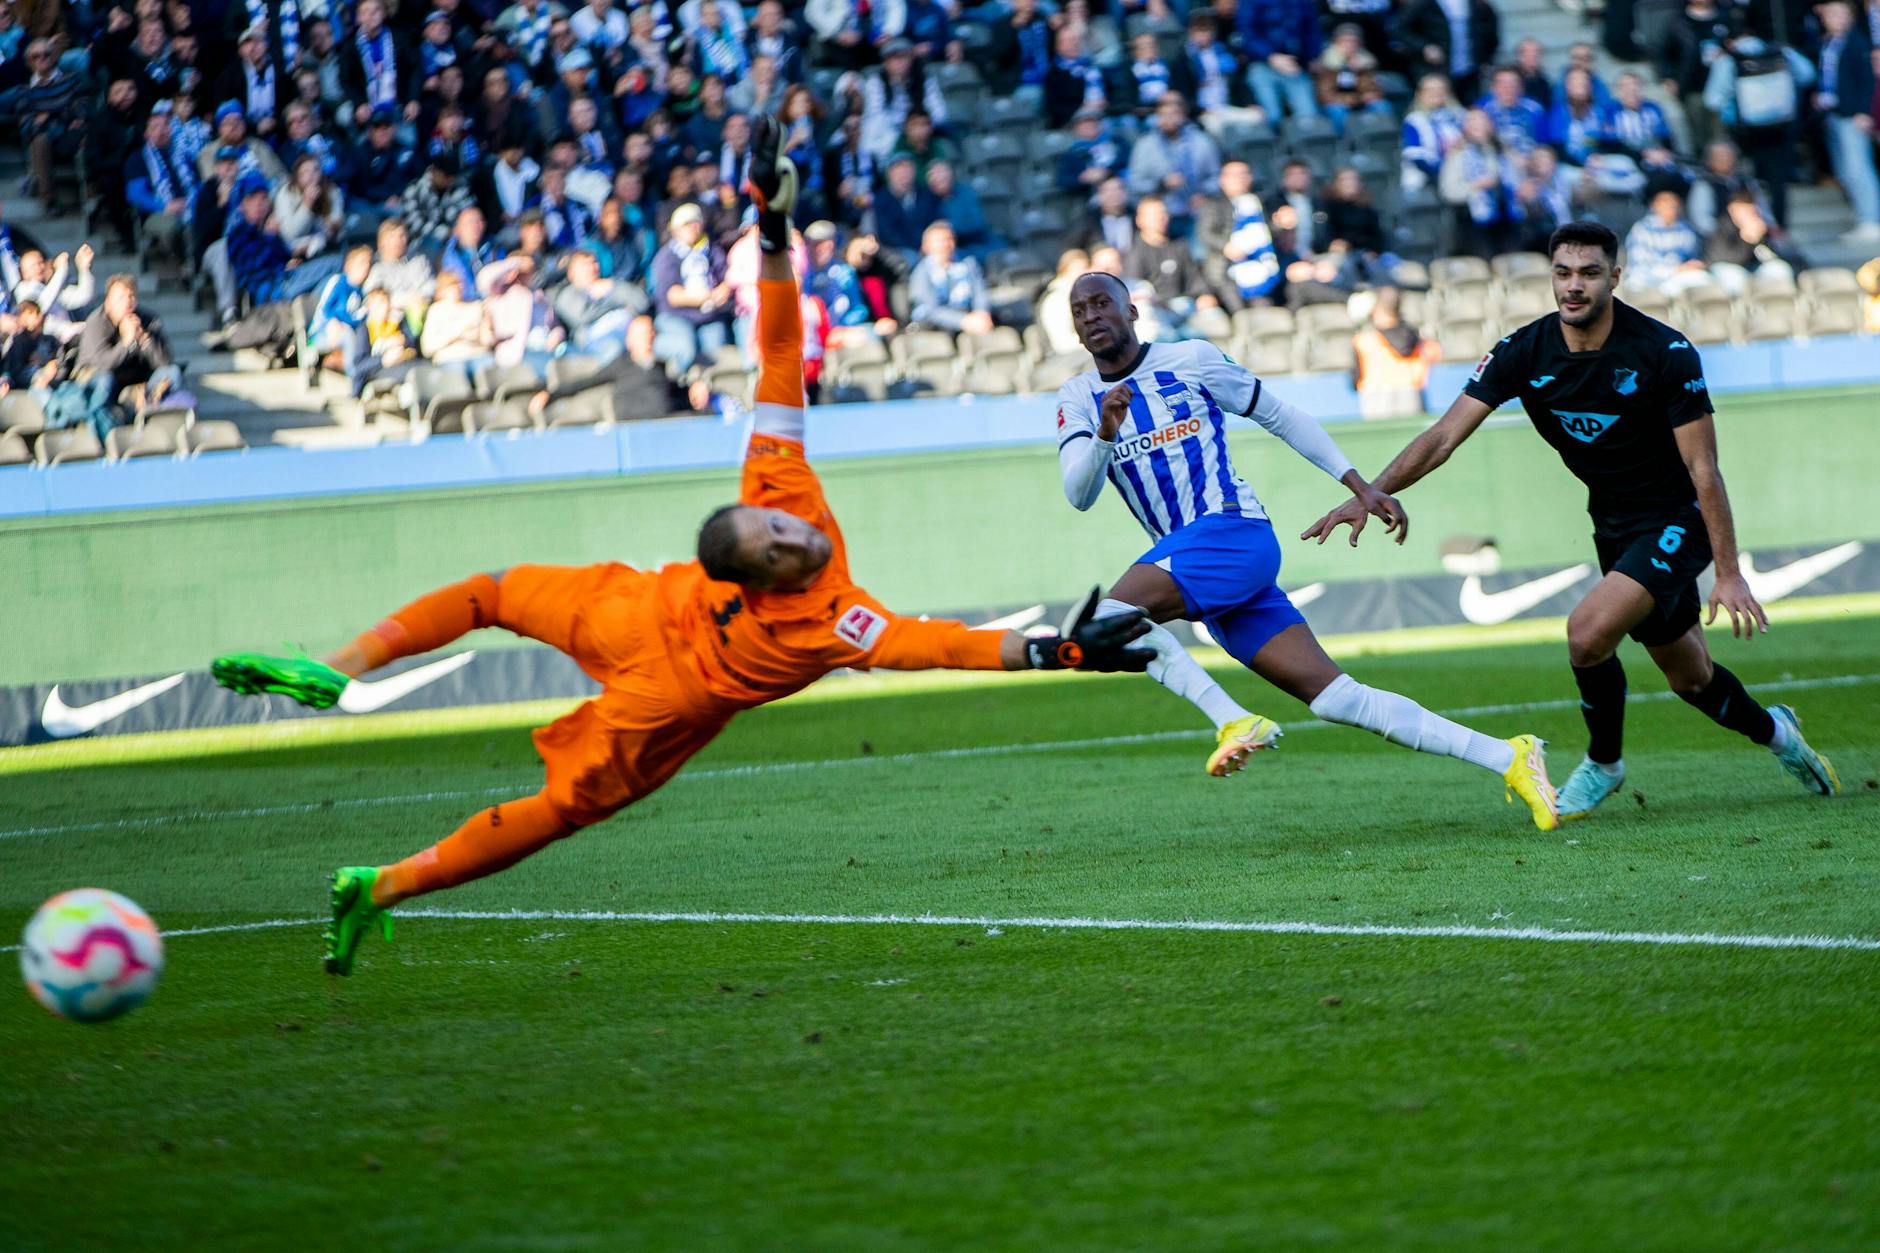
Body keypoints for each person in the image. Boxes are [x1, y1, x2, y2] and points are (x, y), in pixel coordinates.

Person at [208, 118, 1154, 976]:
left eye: (785, 524)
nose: (798, 530)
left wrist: (774, 236)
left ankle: (338, 672)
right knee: (557, 808)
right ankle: (379, 881)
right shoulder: (822, 621)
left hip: (634, 601)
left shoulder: (774, 481)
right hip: (665, 688)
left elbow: (778, 353)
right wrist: (1054, 649)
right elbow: (927, 643)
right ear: (766, 574)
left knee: (494, 590)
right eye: (784, 542)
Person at [1304, 220, 1840, 819]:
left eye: (1588, 273)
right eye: (1563, 273)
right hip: (1612, 525)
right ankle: (1778, 733)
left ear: (1615, 276)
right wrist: (1371, 492)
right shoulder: (1521, 352)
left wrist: (1729, 571)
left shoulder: (1664, 352)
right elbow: (1442, 437)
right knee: (1691, 679)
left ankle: (1604, 764)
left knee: (1586, 635)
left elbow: (1704, 469)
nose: (1574, 286)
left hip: (1675, 519)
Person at [1053, 269, 1559, 821]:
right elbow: (1079, 493)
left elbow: (1281, 415)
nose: (1091, 316)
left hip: (1233, 531)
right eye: (1080, 312)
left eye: (1103, 303)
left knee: (1111, 616)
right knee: (1336, 697)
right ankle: (1509, 756)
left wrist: (1361, 486)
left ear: (1132, 311)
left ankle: (1232, 720)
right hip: (1195, 560)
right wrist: (1105, 431)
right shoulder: (1078, 397)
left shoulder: (1190, 360)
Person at [1813, 1, 1880, 244]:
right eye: (1829, 13)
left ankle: (1871, 220)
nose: (1833, 18)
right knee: (1845, 170)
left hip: (1853, 115)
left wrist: (1864, 111)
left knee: (1858, 168)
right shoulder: (1829, 43)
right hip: (1834, 113)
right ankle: (1863, 215)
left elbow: (1867, 81)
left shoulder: (1857, 42)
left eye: (1838, 13)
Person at [650, 202, 733, 373]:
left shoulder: (712, 251)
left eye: (696, 223)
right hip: (676, 316)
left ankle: (714, 391)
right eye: (687, 224)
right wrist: (709, 296)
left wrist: (724, 289)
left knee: (717, 350)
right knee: (686, 348)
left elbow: (726, 278)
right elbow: (673, 296)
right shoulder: (667, 256)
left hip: (709, 316)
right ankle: (683, 386)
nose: (693, 228)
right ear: (675, 230)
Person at [1126, 93, 1221, 237]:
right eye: (1164, 115)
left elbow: (1217, 177)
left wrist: (1204, 194)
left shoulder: (1202, 142)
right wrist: (1162, 184)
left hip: (1196, 212)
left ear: (1184, 116)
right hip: (1162, 216)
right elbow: (1134, 183)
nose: (1169, 119)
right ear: (1157, 117)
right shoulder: (1145, 146)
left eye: (1174, 114)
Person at [1350, 287, 1439, 419]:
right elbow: (1435, 355)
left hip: (1375, 396)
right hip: (1411, 392)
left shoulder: (1363, 339)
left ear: (1375, 310)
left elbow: (1356, 376)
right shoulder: (1417, 336)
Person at [1239, 0, 1324, 121]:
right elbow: (1247, 33)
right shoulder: (1251, 2)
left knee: (1309, 117)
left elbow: (1312, 29)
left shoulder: (1304, 2)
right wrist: (1271, 56)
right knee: (1271, 116)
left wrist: (1313, 55)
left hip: (1294, 65)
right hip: (1263, 65)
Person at [908, 222, 992, 335]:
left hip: (968, 314)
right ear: (926, 246)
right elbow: (930, 309)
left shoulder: (968, 264)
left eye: (949, 239)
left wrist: (982, 313)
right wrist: (963, 321)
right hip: (935, 323)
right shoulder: (921, 273)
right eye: (939, 241)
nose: (945, 245)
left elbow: (980, 293)